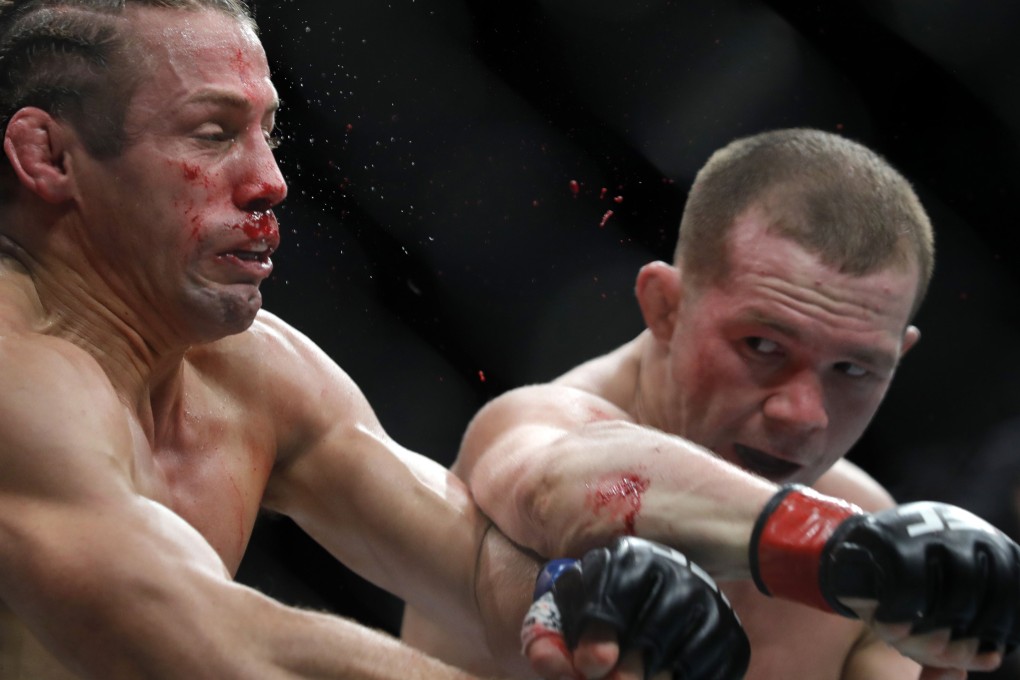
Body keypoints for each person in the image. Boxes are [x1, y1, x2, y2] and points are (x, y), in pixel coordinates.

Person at [0, 1, 753, 679]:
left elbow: (470, 566)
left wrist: (583, 605)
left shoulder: (253, 369)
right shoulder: (15, 373)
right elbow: (198, 642)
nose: (270, 181)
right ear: (50, 158)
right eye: (212, 133)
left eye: (267, 133)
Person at [402, 128, 1020, 679]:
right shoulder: (540, 423)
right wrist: (832, 548)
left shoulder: (870, 527)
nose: (803, 414)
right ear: (666, 308)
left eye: (854, 369)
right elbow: (558, 482)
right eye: (762, 345)